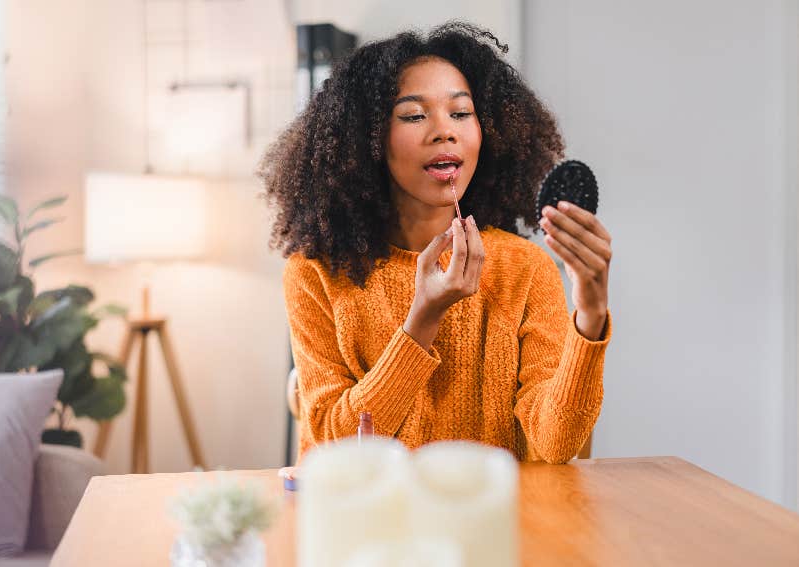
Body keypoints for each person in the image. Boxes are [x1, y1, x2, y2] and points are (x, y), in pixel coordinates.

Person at [259, 22, 612, 464]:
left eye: (461, 113)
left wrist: (592, 315)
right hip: (375, 523)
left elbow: (554, 445)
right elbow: (336, 448)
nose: (445, 131)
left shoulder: (525, 268)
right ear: (367, 141)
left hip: (495, 522)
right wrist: (421, 322)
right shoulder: (316, 274)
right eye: (413, 115)